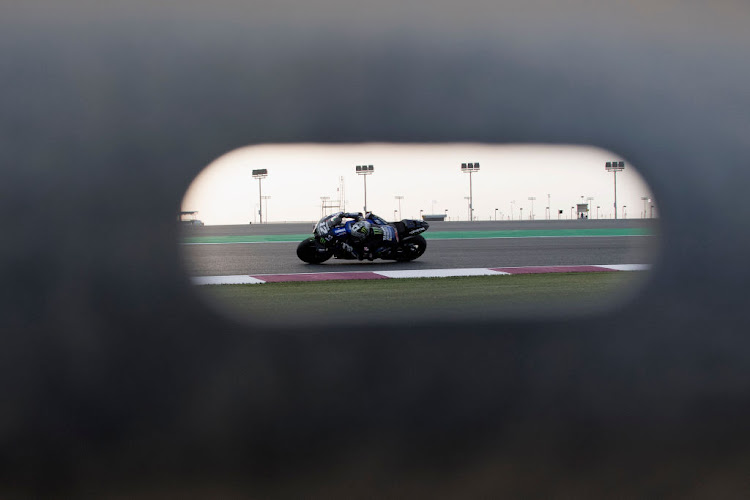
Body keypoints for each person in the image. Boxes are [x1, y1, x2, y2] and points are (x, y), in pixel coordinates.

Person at [328, 211, 398, 260]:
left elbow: (361, 257)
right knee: (369, 215)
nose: (354, 238)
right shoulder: (364, 223)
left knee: (375, 254)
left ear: (363, 237)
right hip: (386, 227)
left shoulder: (368, 244)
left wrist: (351, 249)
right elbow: (359, 214)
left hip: (387, 239)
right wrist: (346, 215)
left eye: (356, 237)